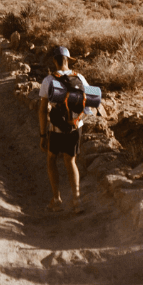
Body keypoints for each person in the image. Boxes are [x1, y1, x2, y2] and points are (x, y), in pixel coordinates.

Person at [37, 46, 89, 214]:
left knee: (51, 159)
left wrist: (43, 134)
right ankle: (77, 200)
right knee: (71, 161)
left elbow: (43, 110)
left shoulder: (48, 80)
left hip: (56, 129)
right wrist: (77, 121)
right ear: (68, 60)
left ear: (55, 61)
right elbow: (92, 105)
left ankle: (57, 199)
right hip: (75, 127)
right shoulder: (80, 77)